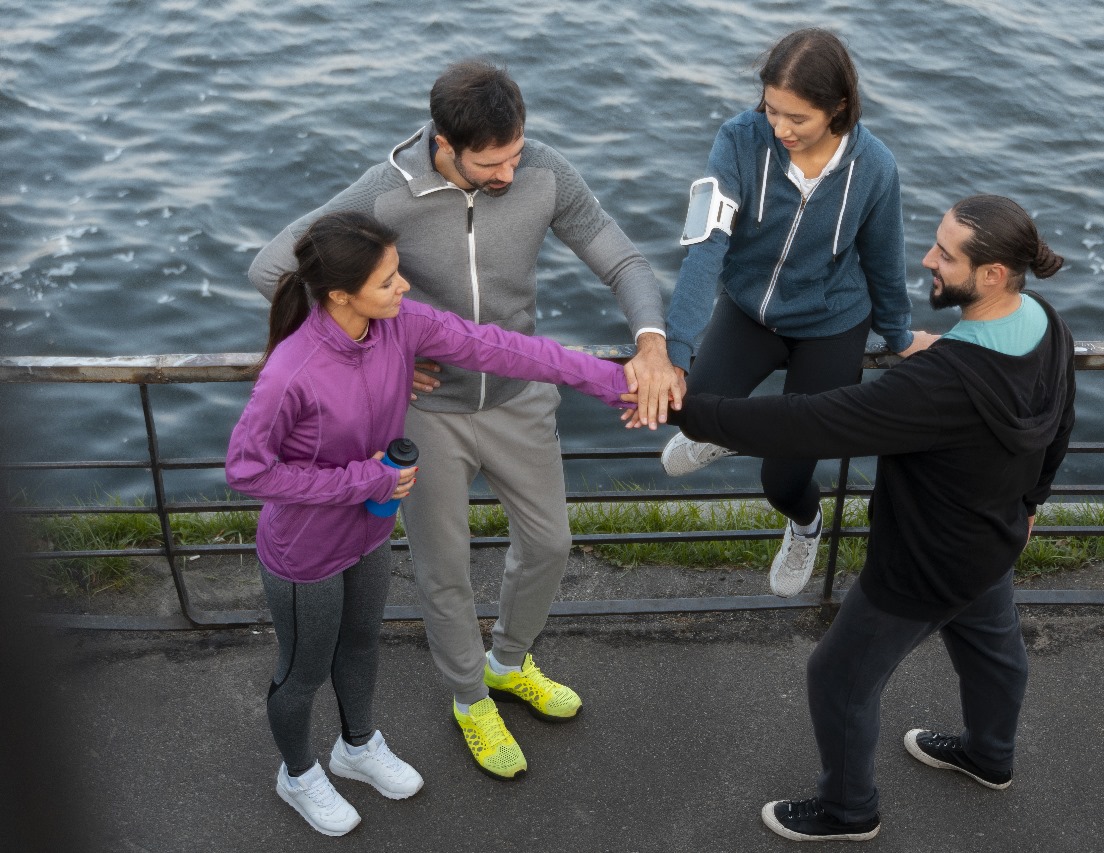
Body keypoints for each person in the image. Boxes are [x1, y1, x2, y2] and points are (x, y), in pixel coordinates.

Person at [248, 60, 682, 780]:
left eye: (516, 153)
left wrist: (652, 344)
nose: (511, 172)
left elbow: (623, 259)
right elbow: (274, 267)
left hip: (520, 400)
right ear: (445, 144)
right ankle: (470, 697)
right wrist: (374, 354)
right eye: (492, 162)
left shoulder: (545, 171)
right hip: (426, 417)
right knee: (442, 569)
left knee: (549, 542)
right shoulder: (386, 192)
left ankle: (509, 661)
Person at [667, 195, 1075, 842]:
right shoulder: (1046, 324)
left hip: (920, 563)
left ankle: (849, 809)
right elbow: (1061, 422)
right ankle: (989, 754)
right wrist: (1032, 505)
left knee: (838, 679)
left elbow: (811, 420)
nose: (927, 259)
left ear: (993, 274)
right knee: (997, 653)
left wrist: (690, 410)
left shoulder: (940, 383)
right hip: (993, 539)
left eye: (946, 253)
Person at [228, 212, 635, 835]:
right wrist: (365, 481)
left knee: (362, 646)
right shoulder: (291, 371)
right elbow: (247, 472)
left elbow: (506, 349)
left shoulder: (397, 328)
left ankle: (357, 747)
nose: (405, 288)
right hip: (304, 551)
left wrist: (613, 382)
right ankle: (299, 774)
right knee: (302, 671)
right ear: (340, 293)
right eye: (389, 280)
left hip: (368, 532)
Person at [660, 28, 935, 599]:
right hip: (749, 307)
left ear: (838, 107)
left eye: (796, 118)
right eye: (770, 109)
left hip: (831, 323)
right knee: (689, 411)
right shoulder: (738, 139)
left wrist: (900, 333)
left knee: (783, 479)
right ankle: (726, 430)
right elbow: (706, 244)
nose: (778, 128)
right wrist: (675, 350)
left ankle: (806, 524)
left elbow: (884, 257)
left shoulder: (876, 168)